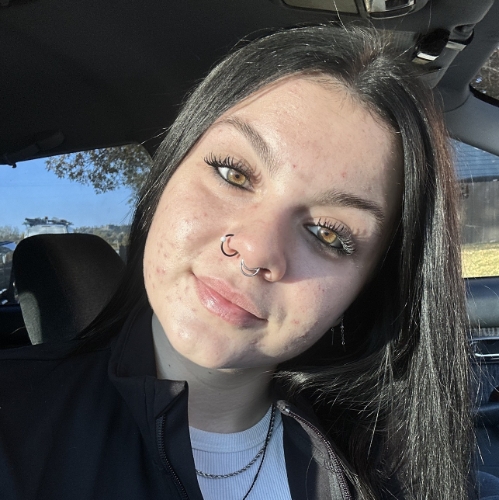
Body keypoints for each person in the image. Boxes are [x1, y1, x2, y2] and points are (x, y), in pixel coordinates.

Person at [0, 25, 473, 500]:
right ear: (167, 177)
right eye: (233, 173)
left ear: (365, 290)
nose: (254, 250)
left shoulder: (399, 475)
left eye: (328, 234)